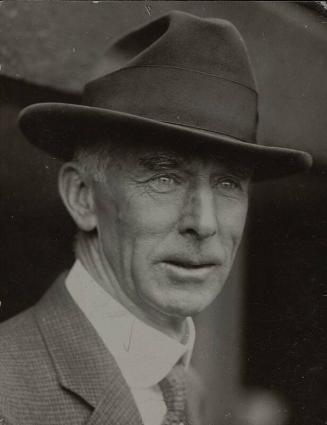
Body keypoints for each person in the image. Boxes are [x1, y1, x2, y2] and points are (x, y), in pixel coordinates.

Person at [0, 10, 312, 425]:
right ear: (83, 197)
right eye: (164, 177)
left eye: (228, 184)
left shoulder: (184, 389)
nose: (203, 223)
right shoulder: (8, 391)